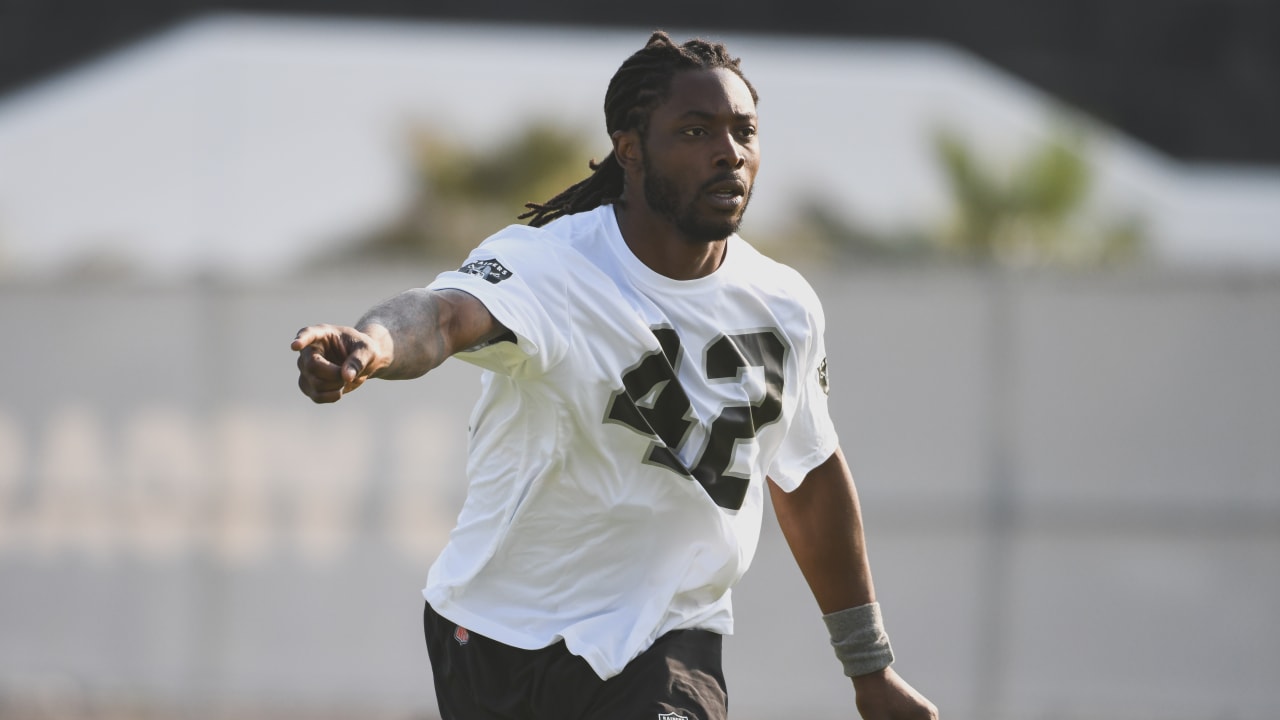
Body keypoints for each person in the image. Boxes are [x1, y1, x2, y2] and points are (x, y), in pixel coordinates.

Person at [292, 30, 938, 720]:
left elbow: (807, 479)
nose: (730, 152)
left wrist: (869, 668)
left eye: (744, 131)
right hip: (499, 632)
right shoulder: (554, 266)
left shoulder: (786, 307)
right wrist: (373, 343)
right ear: (631, 150)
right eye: (695, 130)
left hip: (669, 639)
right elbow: (444, 316)